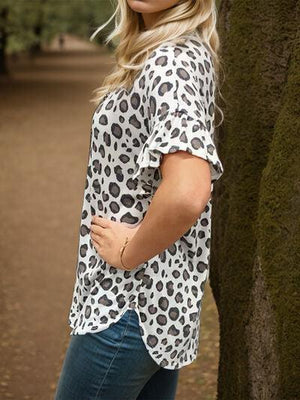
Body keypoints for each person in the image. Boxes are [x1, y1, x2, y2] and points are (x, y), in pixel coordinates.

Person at [54, 0, 224, 399]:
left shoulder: (170, 63)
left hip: (131, 301)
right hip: (160, 305)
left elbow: (188, 192)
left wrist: (129, 252)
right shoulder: (180, 52)